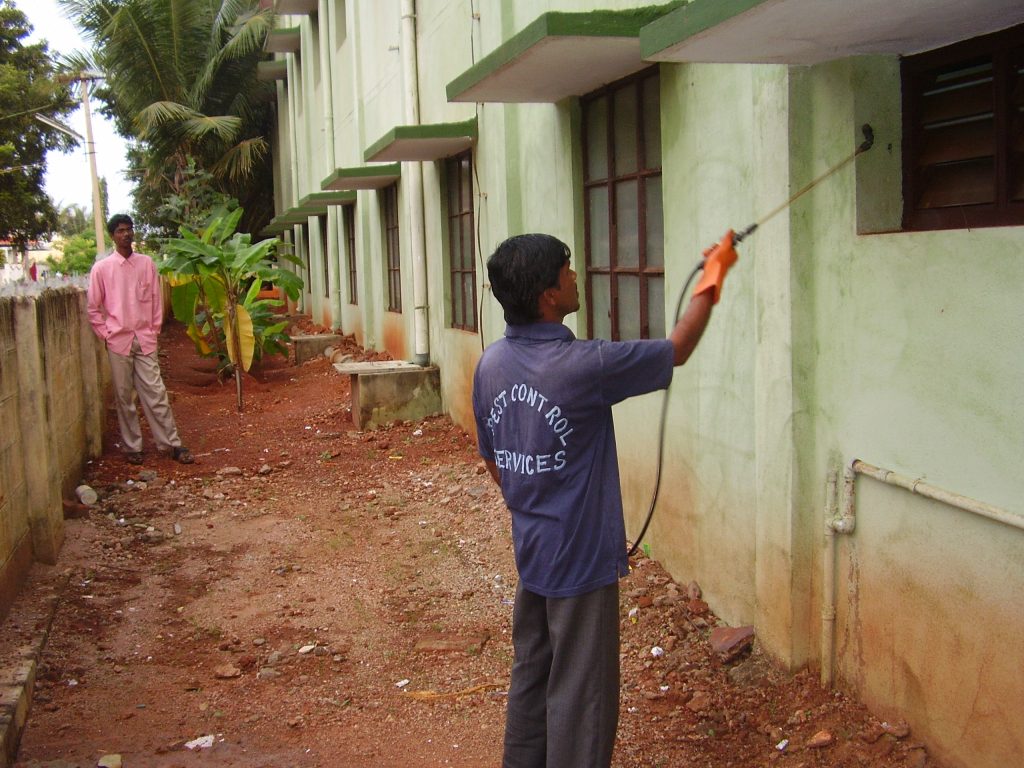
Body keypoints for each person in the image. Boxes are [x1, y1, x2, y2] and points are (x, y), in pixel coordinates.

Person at [472, 230, 738, 767]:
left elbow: (496, 463)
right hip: (581, 561)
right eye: (567, 269)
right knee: (583, 694)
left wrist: (537, 499)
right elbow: (678, 348)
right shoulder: (585, 366)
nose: (575, 277)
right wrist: (714, 276)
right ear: (549, 295)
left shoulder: (491, 364)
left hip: (533, 551)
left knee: (533, 675)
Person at [87, 213, 194, 466]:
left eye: (129, 229)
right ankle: (132, 446)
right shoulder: (102, 269)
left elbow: (156, 300)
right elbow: (93, 308)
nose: (126, 234)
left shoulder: (147, 264)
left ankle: (171, 443)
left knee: (156, 393)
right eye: (120, 230)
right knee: (124, 397)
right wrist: (106, 334)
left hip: (145, 339)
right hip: (118, 341)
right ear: (113, 236)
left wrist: (154, 330)